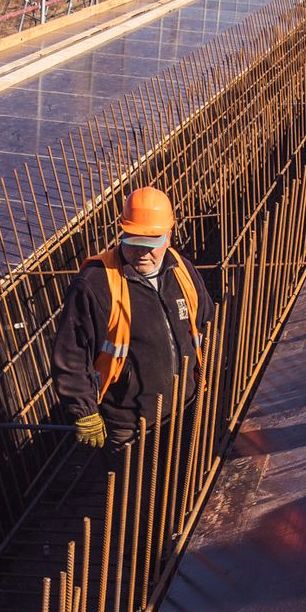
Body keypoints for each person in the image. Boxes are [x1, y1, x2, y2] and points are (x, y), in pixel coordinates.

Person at [51, 186, 216, 448]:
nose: (142, 253)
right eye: (134, 241)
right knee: (136, 488)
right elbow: (70, 354)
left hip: (184, 409)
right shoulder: (97, 283)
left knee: (177, 484)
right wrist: (84, 412)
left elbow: (206, 324)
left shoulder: (182, 271)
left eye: (151, 244)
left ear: (169, 235)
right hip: (130, 425)